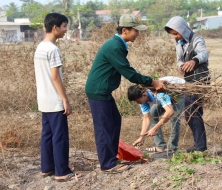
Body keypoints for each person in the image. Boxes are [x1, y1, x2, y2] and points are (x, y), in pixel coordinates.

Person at [85, 14, 166, 173]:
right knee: (104, 127)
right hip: (98, 91)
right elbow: (129, 74)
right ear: (125, 30)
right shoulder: (115, 47)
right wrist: (152, 82)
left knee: (114, 121)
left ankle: (111, 157)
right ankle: (107, 165)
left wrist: (150, 82)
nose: (137, 34)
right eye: (135, 31)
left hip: (104, 91)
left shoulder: (118, 45)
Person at [34, 13, 81, 182]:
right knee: (59, 136)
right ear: (55, 28)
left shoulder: (40, 47)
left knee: (47, 134)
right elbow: (55, 77)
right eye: (64, 26)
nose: (65, 30)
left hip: (43, 99)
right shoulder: (53, 49)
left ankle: (47, 168)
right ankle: (62, 171)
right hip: (54, 101)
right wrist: (65, 99)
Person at [164, 16, 211, 153]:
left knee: (192, 112)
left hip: (201, 79)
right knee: (191, 113)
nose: (176, 37)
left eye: (177, 33)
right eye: (173, 34)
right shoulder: (179, 43)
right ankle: (199, 144)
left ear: (182, 29)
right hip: (189, 80)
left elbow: (204, 53)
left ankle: (200, 147)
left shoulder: (197, 39)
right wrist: (181, 66)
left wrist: (194, 61)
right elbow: (179, 60)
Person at [128, 76, 185, 153]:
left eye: (138, 101)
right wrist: (142, 137)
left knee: (174, 118)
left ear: (144, 95)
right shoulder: (142, 97)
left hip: (177, 93)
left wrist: (155, 128)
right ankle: (161, 146)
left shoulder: (159, 93)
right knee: (152, 114)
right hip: (165, 96)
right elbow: (146, 118)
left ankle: (172, 148)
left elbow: (170, 112)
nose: (138, 103)